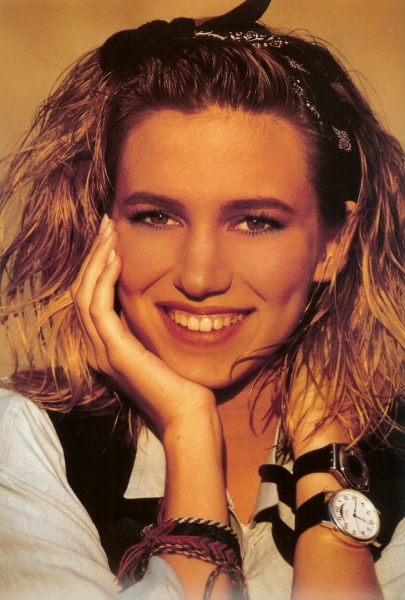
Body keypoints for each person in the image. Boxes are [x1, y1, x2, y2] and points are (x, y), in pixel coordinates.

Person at [0, 0, 404, 598]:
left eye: (256, 222)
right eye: (156, 216)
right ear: (103, 225)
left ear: (333, 244)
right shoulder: (25, 443)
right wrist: (189, 433)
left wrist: (327, 471)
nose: (198, 276)